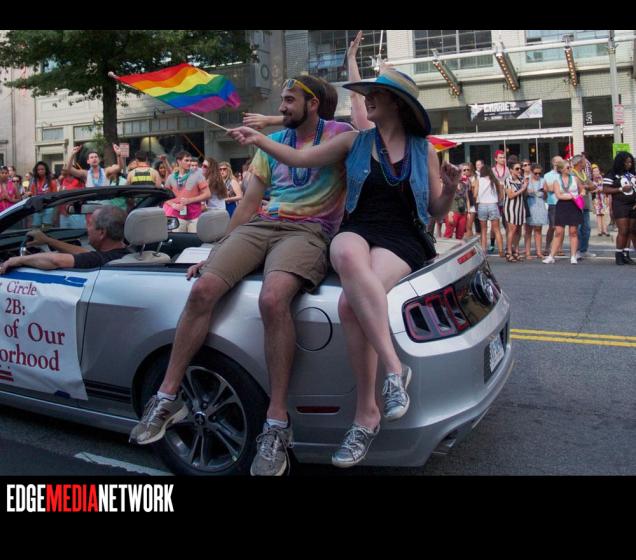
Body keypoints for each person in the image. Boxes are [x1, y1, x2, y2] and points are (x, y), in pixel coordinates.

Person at [228, 67, 460, 468]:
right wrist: (260, 138)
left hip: (403, 237)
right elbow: (299, 156)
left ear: (396, 104)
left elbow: (437, 209)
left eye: (375, 94)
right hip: (358, 228)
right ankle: (395, 370)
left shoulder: (424, 150)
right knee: (346, 251)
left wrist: (452, 189)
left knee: (351, 305)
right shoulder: (354, 141)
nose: (367, 99)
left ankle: (366, 416)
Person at [130, 75, 355, 478]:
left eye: (289, 100)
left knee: (273, 298)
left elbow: (304, 159)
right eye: (281, 100)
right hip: (262, 225)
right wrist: (215, 252)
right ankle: (166, 398)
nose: (282, 107)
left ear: (312, 103)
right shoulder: (273, 143)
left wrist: (260, 133)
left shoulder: (340, 134)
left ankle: (277, 423)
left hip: (309, 230)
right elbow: (249, 205)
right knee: (203, 289)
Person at [0, 205, 129, 274]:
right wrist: (48, 240)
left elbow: (56, 260)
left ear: (101, 233)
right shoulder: (125, 252)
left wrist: (17, 260)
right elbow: (84, 253)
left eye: (90, 224)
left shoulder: (101, 260)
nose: (86, 228)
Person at [543, 159, 583, 264]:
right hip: (561, 205)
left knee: (573, 232)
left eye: (570, 167)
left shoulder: (575, 178)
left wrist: (580, 195)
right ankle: (551, 256)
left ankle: (573, 256)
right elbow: (558, 195)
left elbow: (582, 189)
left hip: (574, 206)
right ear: (561, 169)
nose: (570, 169)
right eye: (568, 167)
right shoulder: (557, 180)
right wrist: (572, 196)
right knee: (559, 232)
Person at [163, 150, 211, 233]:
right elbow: (164, 197)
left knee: (194, 240)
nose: (189, 163)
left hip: (195, 216)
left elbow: (208, 194)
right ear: (179, 161)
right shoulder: (171, 177)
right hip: (177, 216)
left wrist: (189, 200)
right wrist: (173, 205)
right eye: (186, 160)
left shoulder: (197, 175)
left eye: (190, 160)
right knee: (178, 240)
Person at [601, 151, 636, 265]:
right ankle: (619, 254)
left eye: (630, 162)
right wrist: (620, 189)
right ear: (621, 162)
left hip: (633, 204)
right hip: (620, 204)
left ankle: (626, 254)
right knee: (623, 230)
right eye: (627, 162)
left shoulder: (632, 173)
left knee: (631, 230)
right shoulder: (612, 173)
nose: (629, 164)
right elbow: (605, 189)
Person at [474, 164, 503, 255]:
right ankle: (501, 251)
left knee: (483, 230)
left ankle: (484, 251)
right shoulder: (494, 180)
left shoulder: (478, 180)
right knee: (497, 229)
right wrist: (497, 200)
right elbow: (501, 195)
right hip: (493, 204)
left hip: (482, 205)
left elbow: (475, 194)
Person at [503, 159, 527, 262]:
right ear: (511, 170)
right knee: (512, 230)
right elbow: (511, 195)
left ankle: (516, 250)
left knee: (518, 230)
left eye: (520, 168)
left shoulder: (521, 179)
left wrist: (525, 187)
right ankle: (509, 251)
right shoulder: (508, 180)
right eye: (517, 169)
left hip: (520, 207)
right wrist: (523, 188)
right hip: (510, 207)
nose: (519, 170)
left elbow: (524, 194)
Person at [543, 155, 565, 256]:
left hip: (563, 202)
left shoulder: (564, 174)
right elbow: (548, 188)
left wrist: (556, 188)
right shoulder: (548, 175)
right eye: (558, 161)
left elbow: (567, 187)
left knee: (561, 227)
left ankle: (559, 247)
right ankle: (547, 246)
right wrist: (559, 189)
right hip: (552, 203)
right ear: (553, 163)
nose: (561, 163)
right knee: (552, 226)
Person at [525, 163, 548, 258]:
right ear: (531, 172)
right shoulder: (527, 180)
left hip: (540, 204)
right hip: (530, 204)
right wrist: (527, 191)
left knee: (538, 229)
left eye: (539, 173)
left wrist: (545, 191)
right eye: (535, 173)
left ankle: (539, 252)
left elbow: (545, 197)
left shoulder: (543, 181)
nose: (538, 175)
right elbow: (523, 194)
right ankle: (527, 252)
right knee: (528, 230)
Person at [444, 163, 470, 239]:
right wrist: (449, 213)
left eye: (467, 170)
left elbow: (467, 199)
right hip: (452, 212)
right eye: (463, 170)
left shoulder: (464, 184)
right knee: (448, 234)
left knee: (460, 235)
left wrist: (468, 212)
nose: (465, 172)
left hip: (463, 212)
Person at [592, 164, 609, 236]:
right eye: (594, 171)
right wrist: (595, 190)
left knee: (604, 215)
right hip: (596, 199)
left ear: (599, 171)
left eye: (597, 171)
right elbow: (591, 190)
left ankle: (605, 230)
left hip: (603, 198)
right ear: (592, 173)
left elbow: (606, 188)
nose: (596, 172)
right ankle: (599, 231)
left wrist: (601, 190)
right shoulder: (591, 180)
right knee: (598, 215)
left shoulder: (603, 179)